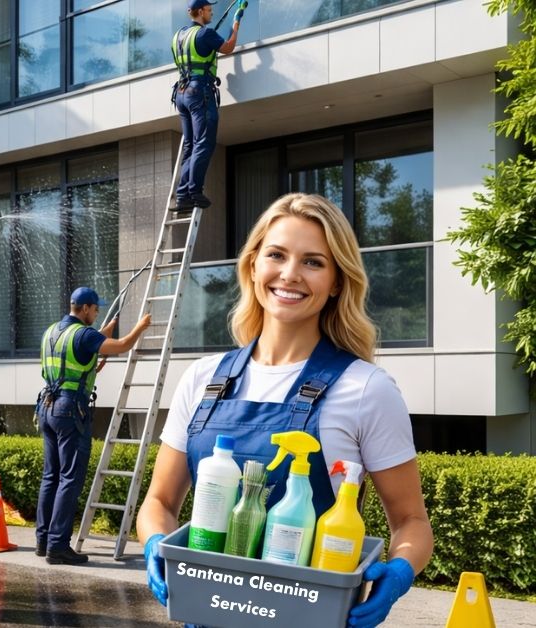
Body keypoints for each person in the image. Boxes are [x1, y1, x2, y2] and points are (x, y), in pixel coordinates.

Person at [136, 194, 433, 627]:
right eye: (276, 255)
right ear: (253, 265)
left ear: (336, 281)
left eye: (313, 262)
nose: (290, 274)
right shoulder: (203, 378)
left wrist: (401, 569)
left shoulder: (367, 388)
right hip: (208, 614)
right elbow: (159, 501)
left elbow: (411, 521)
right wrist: (156, 543)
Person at [36, 286, 151, 565]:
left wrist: (103, 333)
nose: (97, 313)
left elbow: (78, 356)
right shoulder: (85, 335)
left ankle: (43, 541)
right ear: (85, 308)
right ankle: (58, 546)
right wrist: (140, 327)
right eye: (95, 309)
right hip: (70, 410)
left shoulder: (52, 331)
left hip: (46, 407)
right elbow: (122, 346)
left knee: (51, 475)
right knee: (69, 478)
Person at [171, 0, 244, 211]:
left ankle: (183, 196)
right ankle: (194, 191)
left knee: (191, 145)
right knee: (204, 142)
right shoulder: (205, 34)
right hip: (199, 92)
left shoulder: (178, 37)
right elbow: (228, 47)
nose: (212, 14)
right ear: (200, 11)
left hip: (182, 94)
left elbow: (197, 56)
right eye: (210, 10)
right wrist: (236, 20)